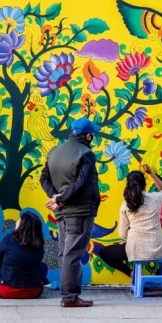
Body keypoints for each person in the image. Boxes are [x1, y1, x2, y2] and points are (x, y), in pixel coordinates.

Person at [40, 117, 102, 308]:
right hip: (80, 210)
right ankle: (70, 297)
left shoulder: (54, 152)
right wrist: (60, 198)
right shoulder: (86, 154)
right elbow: (81, 183)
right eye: (92, 134)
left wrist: (55, 196)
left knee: (65, 252)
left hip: (62, 212)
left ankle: (70, 295)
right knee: (72, 253)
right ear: (88, 135)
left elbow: (43, 178)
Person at [97, 164, 162, 278]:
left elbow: (122, 234)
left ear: (128, 184)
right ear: (144, 184)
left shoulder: (126, 205)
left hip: (135, 249)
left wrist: (126, 239)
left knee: (103, 252)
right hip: (157, 248)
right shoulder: (155, 198)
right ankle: (158, 276)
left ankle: (132, 274)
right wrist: (151, 173)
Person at [0, 213, 48, 299]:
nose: (16, 222)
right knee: (42, 266)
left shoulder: (9, 240)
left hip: (5, 291)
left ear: (22, 225)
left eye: (19, 220)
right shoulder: (39, 244)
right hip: (34, 292)